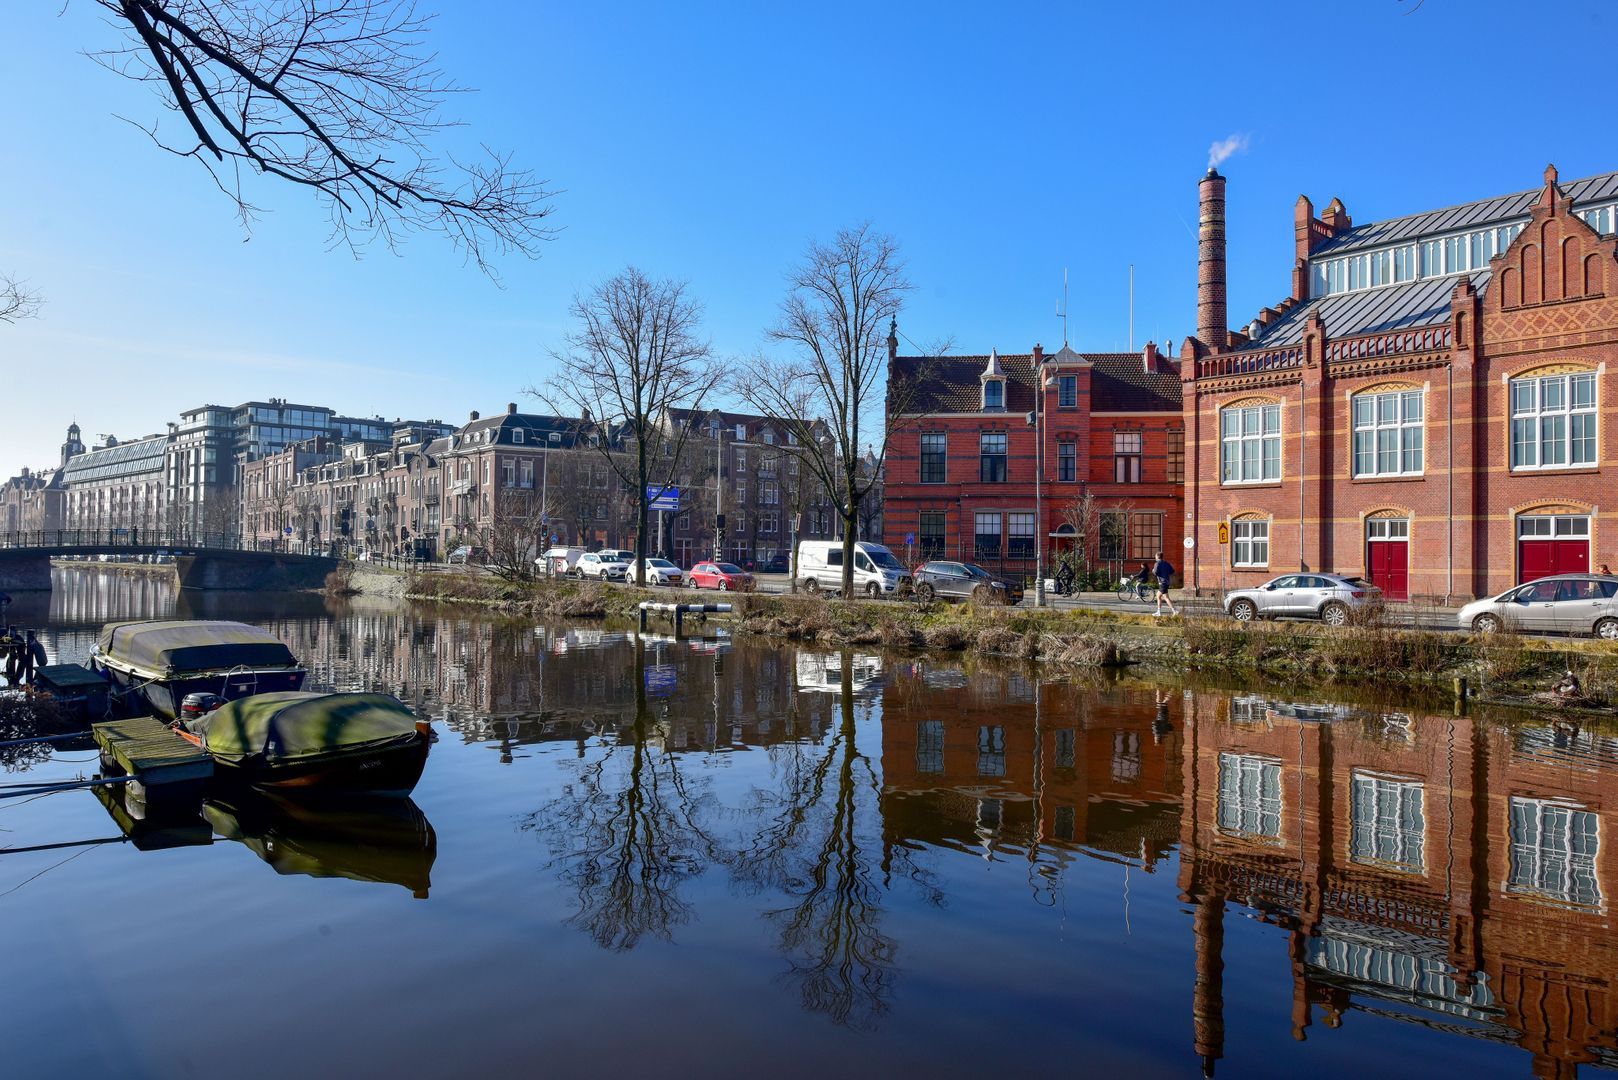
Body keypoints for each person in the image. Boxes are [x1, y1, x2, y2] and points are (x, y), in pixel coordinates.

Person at [1153, 551, 1178, 617]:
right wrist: (1165, 574)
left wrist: (1154, 571)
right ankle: (1159, 612)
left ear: (1158, 556)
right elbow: (1172, 571)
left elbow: (1155, 572)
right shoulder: (1167, 563)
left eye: (1155, 556)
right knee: (1159, 596)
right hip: (1166, 581)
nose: (1155, 557)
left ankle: (1174, 611)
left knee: (1165, 598)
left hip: (1162, 582)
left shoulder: (1157, 563)